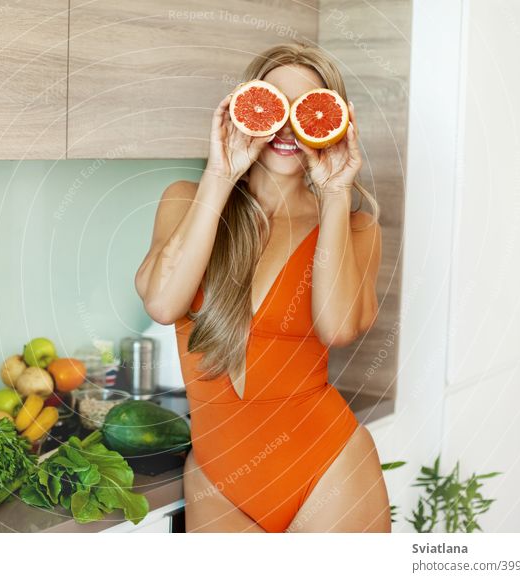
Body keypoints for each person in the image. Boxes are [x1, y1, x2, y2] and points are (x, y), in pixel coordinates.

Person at [135, 41, 390, 532]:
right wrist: (221, 172)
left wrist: (336, 193)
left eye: (308, 110)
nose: (288, 128)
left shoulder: (356, 227)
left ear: (333, 123)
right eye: (273, 106)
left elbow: (337, 328)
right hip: (217, 477)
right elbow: (164, 303)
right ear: (244, 109)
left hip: (327, 467)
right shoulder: (187, 200)